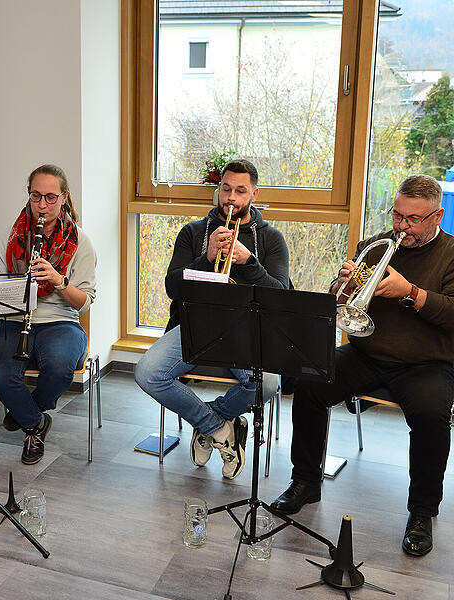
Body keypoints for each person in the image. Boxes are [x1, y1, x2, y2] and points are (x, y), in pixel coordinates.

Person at [270, 174, 454, 557]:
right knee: (309, 382)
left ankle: (422, 511)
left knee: (432, 414)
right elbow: (342, 302)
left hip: (427, 363)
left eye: (413, 219)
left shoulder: (451, 254)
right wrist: (341, 286)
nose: (402, 226)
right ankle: (305, 481)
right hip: (367, 353)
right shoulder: (375, 244)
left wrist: (412, 293)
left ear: (437, 216)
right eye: (397, 215)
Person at [135, 159, 289, 480]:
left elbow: (280, 296)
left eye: (240, 191)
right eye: (226, 189)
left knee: (268, 383)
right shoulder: (193, 232)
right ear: (218, 189)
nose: (231, 198)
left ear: (254, 195)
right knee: (147, 373)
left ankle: (211, 419)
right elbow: (172, 287)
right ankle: (216, 427)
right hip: (195, 326)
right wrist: (206, 259)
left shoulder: (271, 239)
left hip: (247, 331)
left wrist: (249, 262)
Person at [0, 164, 96, 465]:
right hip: (14, 320)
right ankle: (35, 424)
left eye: (50, 197)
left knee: (60, 367)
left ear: (64, 198)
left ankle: (25, 410)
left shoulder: (80, 242)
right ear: (29, 195)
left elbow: (84, 303)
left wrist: (58, 280)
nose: (42, 205)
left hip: (61, 321)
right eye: (36, 196)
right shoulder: (8, 239)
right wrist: (17, 289)